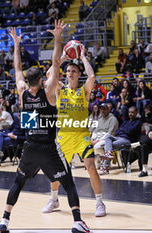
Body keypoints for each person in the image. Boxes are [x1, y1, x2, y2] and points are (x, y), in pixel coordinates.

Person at [0, 22, 91, 233]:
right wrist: (58, 37)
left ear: (27, 81)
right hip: (49, 147)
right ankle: (77, 221)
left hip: (30, 147)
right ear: (41, 79)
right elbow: (56, 63)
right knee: (68, 183)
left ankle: (5, 220)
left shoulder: (22, 92)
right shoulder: (48, 92)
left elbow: (16, 68)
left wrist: (16, 44)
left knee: (18, 183)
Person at [43, 38, 106, 217]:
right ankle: (54, 199)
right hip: (63, 136)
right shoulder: (60, 89)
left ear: (78, 74)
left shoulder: (84, 90)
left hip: (81, 136)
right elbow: (49, 74)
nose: (70, 73)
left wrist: (83, 57)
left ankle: (100, 203)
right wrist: (64, 57)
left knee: (90, 166)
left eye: (73, 71)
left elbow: (92, 76)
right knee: (56, 171)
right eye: (68, 71)